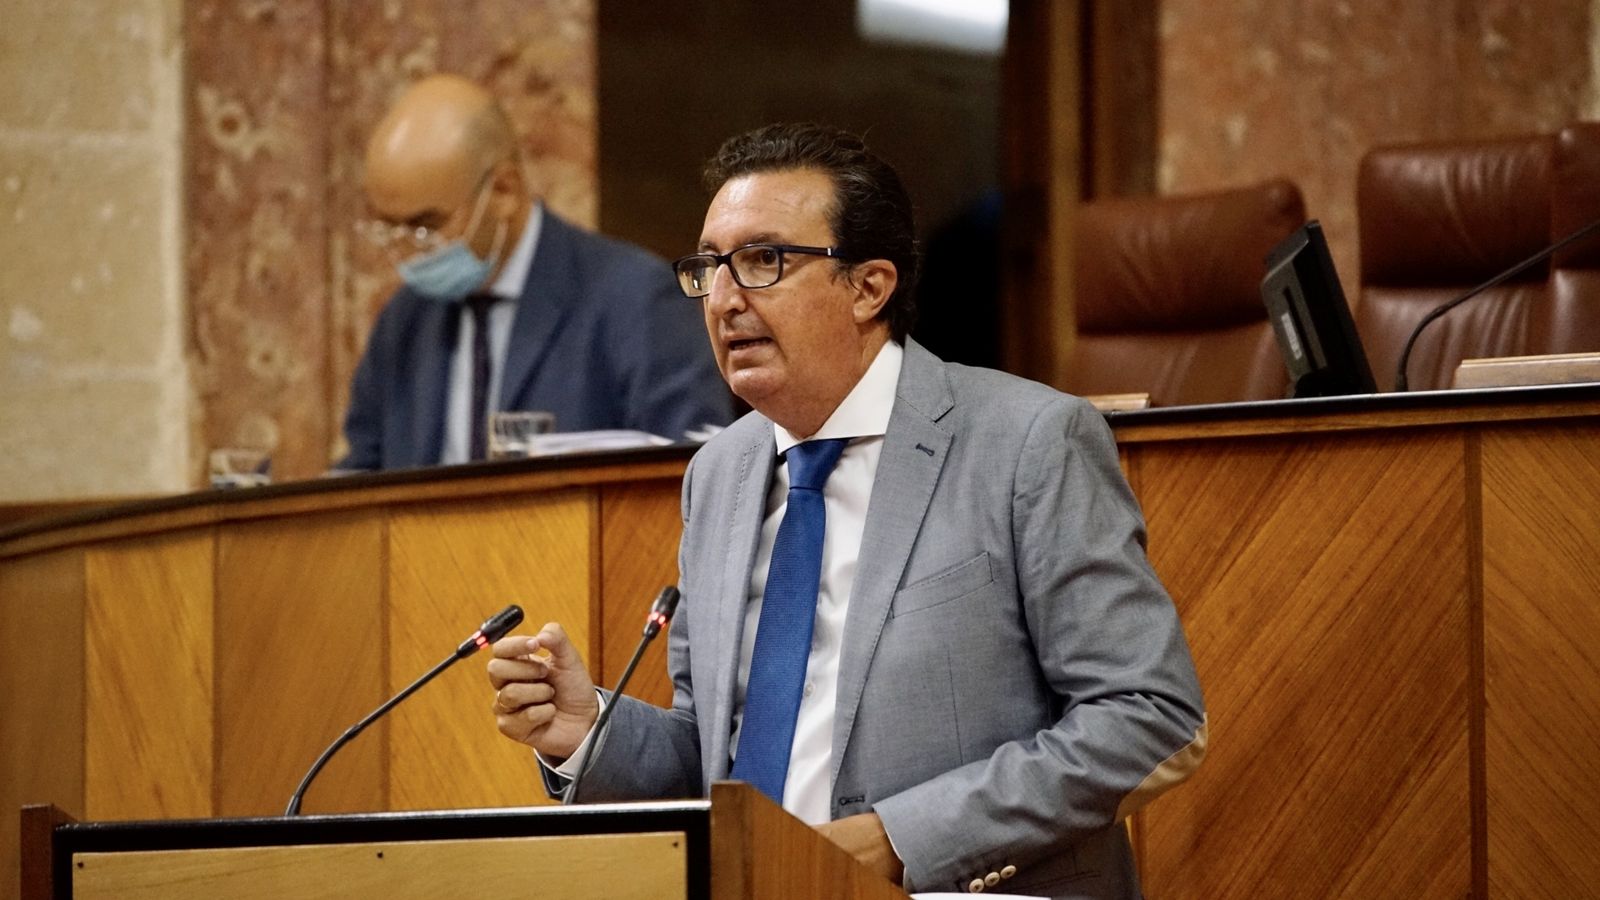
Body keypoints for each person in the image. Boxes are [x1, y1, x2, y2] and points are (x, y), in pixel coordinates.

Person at [486, 123, 1206, 898]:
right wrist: (586, 731)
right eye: (708, 268)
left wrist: (901, 840)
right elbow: (710, 753)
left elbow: (1149, 716)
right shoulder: (719, 474)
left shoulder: (1026, 443)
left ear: (869, 287)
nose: (724, 299)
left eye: (763, 261)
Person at [338, 74, 730, 470]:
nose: (406, 250)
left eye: (426, 226)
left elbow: (697, 468)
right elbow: (363, 474)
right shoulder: (405, 320)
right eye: (391, 228)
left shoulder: (633, 298)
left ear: (504, 191)